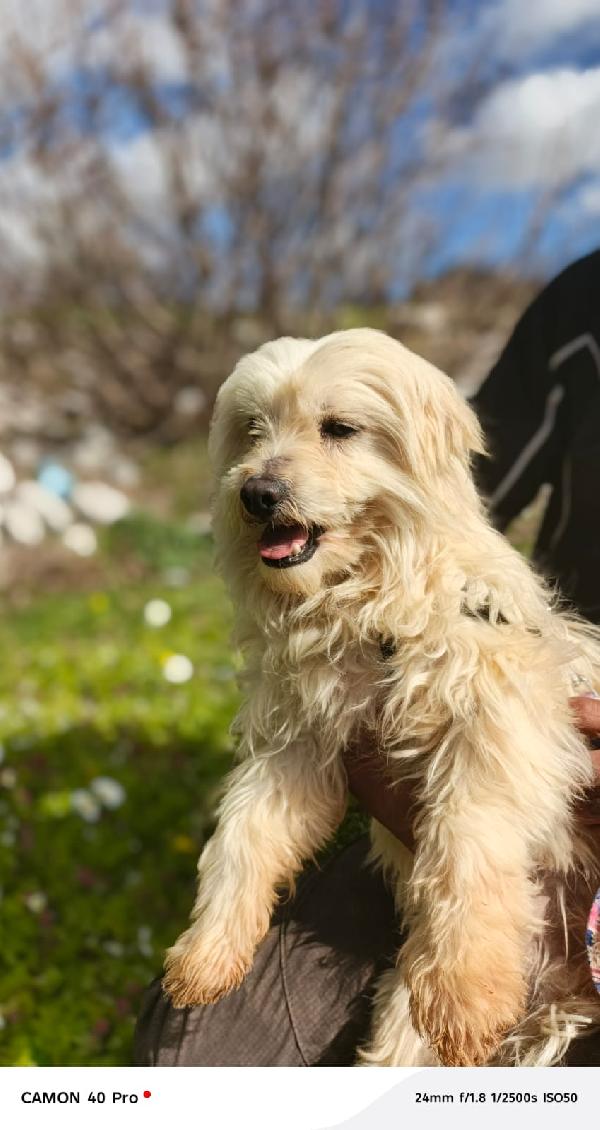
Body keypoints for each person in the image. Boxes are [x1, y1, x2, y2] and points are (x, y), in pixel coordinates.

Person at [135, 255, 600, 1066]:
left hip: (506, 861)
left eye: (337, 431)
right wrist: (231, 902)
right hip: (435, 842)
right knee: (193, 1054)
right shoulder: (582, 307)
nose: (264, 475)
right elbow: (483, 476)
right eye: (251, 434)